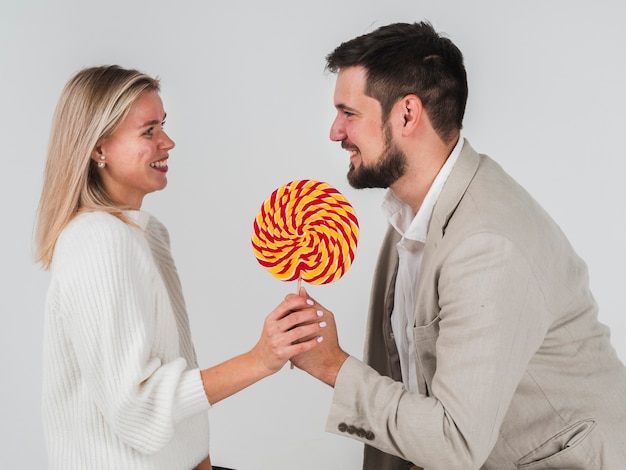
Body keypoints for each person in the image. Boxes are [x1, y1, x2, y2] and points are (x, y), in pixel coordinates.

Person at [289, 21, 626, 469]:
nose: (335, 131)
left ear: (407, 115)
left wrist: (332, 366)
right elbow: (411, 385)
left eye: (349, 113)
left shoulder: (486, 243)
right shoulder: (411, 214)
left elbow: (454, 444)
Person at [34, 65, 325, 470]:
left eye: (163, 126)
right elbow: (137, 407)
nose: (167, 142)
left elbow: (168, 397)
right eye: (149, 130)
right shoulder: (98, 240)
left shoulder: (144, 234)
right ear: (99, 149)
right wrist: (261, 359)